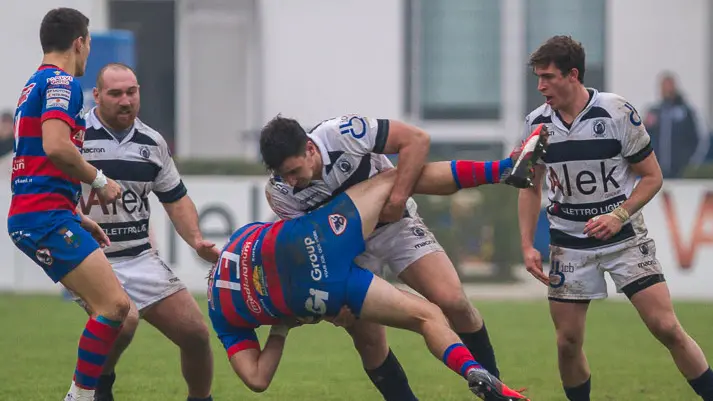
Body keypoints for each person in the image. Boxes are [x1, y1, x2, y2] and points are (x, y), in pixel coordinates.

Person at [207, 130, 548, 399]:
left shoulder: (342, 133)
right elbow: (290, 242)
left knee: (451, 301)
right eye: (285, 176)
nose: (292, 181)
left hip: (386, 229)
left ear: (311, 149)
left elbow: (416, 139)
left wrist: (310, 314)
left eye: (295, 171)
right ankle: (503, 169)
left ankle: (492, 383)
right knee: (375, 337)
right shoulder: (267, 205)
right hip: (342, 246)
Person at [517, 35, 713, 401]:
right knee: (567, 343)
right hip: (569, 245)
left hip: (624, 239)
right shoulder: (536, 124)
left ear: (572, 75)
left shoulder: (617, 112)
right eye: (537, 78)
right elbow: (529, 186)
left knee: (666, 327)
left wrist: (618, 214)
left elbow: (652, 177)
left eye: (547, 77)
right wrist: (527, 244)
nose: (541, 86)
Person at [74, 63, 219, 401]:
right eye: (115, 93)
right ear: (96, 95)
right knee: (124, 321)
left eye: (132, 92)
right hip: (90, 259)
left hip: (139, 256)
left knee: (196, 334)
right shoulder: (76, 134)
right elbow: (49, 187)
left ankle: (201, 399)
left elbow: (176, 198)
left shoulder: (153, 143)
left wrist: (196, 240)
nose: (126, 101)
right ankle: (100, 387)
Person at [7, 8, 131, 401]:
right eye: (89, 44)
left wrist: (76, 216)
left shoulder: (34, 83)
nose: (88, 52)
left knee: (115, 313)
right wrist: (98, 180)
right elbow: (56, 147)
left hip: (44, 212)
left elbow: (36, 162)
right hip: (42, 216)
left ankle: (88, 394)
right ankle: (79, 397)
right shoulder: (63, 83)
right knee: (114, 306)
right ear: (79, 42)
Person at [644, 72, 710, 178]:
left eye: (669, 86)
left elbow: (701, 138)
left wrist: (692, 163)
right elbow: (643, 138)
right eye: (663, 87)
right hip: (658, 170)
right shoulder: (655, 112)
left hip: (682, 170)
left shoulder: (686, 112)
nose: (666, 90)